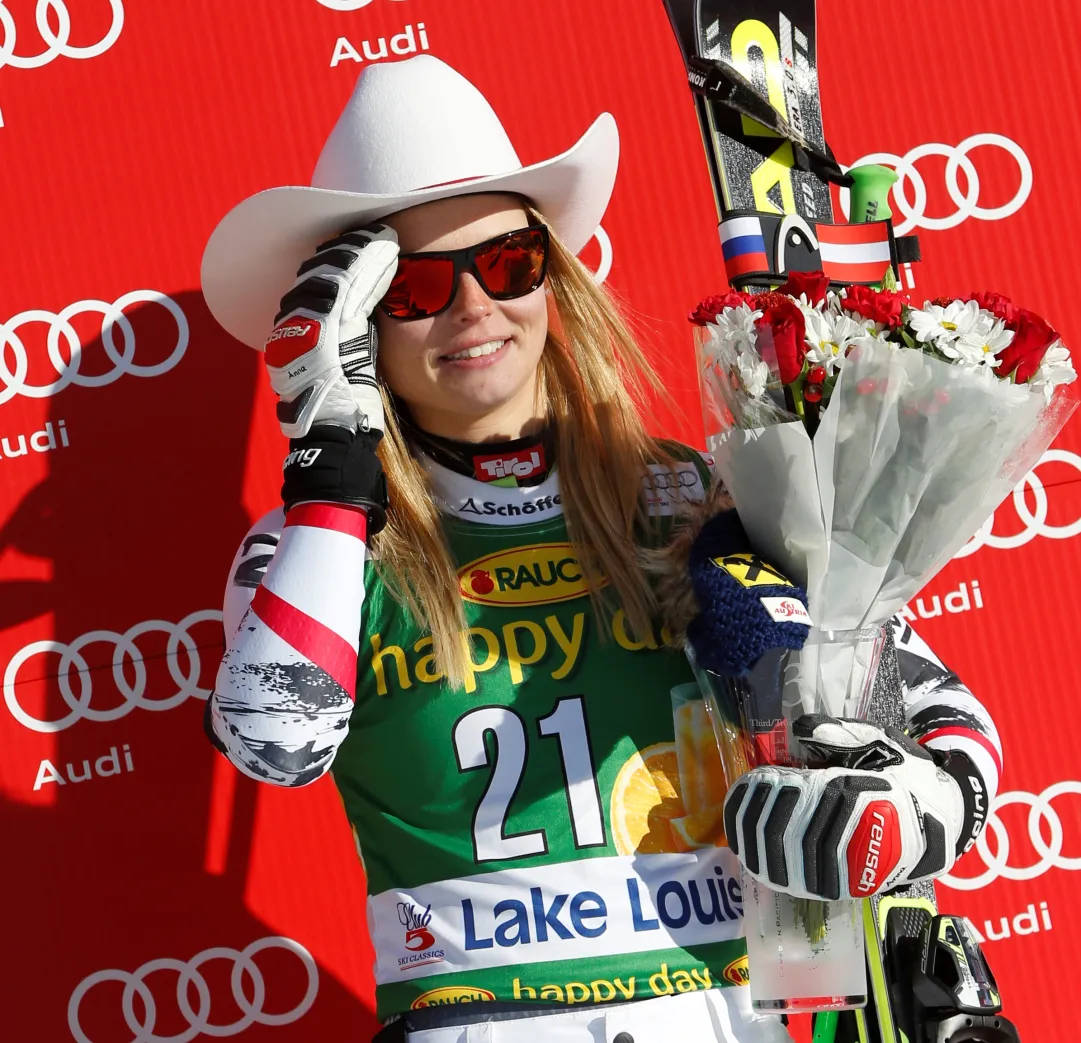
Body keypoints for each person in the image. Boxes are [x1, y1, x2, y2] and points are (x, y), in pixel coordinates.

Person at [200, 55, 1001, 1043]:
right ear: (354, 323)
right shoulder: (317, 549)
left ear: (553, 275)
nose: (471, 311)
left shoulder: (683, 494)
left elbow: (920, 696)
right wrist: (330, 471)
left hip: (724, 1018)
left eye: (504, 263)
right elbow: (273, 741)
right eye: (411, 288)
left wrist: (914, 802)